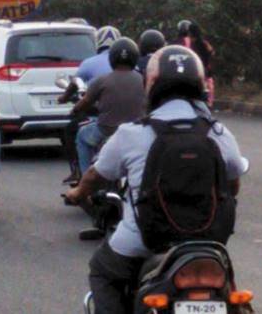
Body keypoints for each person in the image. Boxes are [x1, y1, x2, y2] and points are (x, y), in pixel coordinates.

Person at [65, 46, 248, 314]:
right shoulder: (219, 133)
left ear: (150, 85)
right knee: (228, 287)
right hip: (208, 243)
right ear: (200, 86)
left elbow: (96, 176)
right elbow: (233, 182)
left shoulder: (132, 133)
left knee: (103, 272)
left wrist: (79, 193)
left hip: (144, 240)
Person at [72, 38, 146, 176]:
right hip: (138, 130)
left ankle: (85, 177)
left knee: (82, 136)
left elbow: (85, 102)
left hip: (106, 130)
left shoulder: (102, 80)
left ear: (112, 58)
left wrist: (75, 110)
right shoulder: (144, 79)